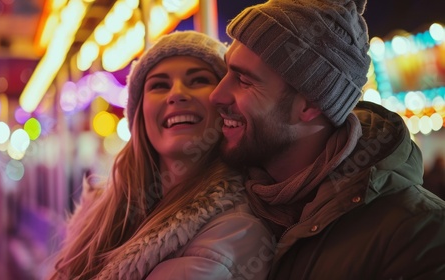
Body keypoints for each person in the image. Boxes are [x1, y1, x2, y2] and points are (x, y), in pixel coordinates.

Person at [209, 0, 445, 279]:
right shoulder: (218, 201)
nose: (216, 96)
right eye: (226, 71)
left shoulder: (419, 235)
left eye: (244, 80)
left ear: (309, 105)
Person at [49, 31, 273, 280]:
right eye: (159, 85)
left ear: (224, 104)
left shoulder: (235, 231)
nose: (176, 94)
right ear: (140, 115)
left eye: (198, 80)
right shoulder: (101, 212)